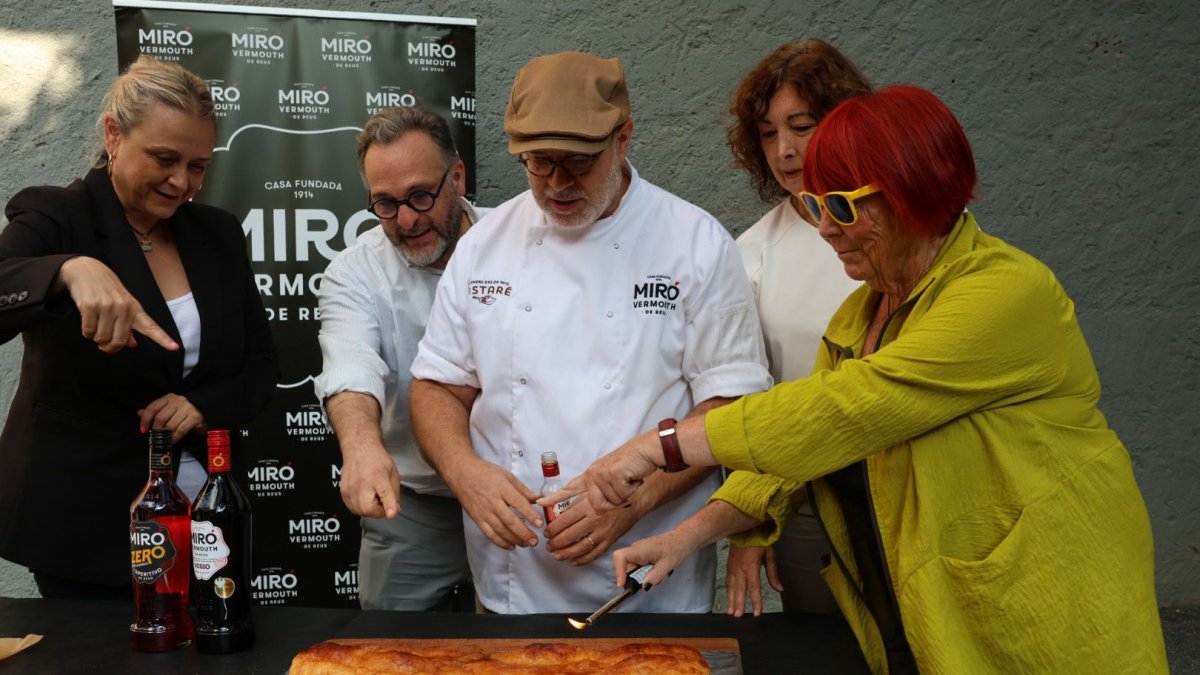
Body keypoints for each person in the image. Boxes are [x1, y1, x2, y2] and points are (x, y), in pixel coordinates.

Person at [547, 86, 1168, 673]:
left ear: (915, 193)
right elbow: (801, 453)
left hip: (1039, 607)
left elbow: (846, 410)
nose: (824, 227)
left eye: (842, 205)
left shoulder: (1006, 292)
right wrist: (685, 537)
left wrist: (662, 446)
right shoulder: (864, 311)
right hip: (915, 605)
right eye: (817, 205)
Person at [409, 51, 771, 614]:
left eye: (576, 162)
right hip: (512, 582)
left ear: (623, 138)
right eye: (537, 163)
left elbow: (731, 411)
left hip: (651, 580)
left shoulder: (696, 244)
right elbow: (438, 386)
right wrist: (466, 472)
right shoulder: (484, 246)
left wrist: (635, 500)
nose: (555, 184)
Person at [0, 55, 279, 599]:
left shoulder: (217, 235)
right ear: (113, 135)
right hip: (85, 524)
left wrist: (202, 407)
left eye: (199, 166)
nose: (182, 182)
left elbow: (262, 362)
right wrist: (66, 270)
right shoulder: (58, 216)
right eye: (164, 158)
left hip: (205, 519)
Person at [314, 105, 485, 611]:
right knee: (389, 647)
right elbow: (349, 364)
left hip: (520, 497)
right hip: (412, 507)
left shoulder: (521, 244)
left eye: (420, 196)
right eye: (385, 204)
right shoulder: (354, 271)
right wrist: (362, 447)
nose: (407, 220)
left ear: (456, 176)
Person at [726, 39, 870, 618]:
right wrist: (749, 527)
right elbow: (745, 402)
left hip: (922, 480)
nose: (784, 150)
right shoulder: (753, 252)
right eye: (766, 133)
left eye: (801, 126)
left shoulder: (912, 227)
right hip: (808, 495)